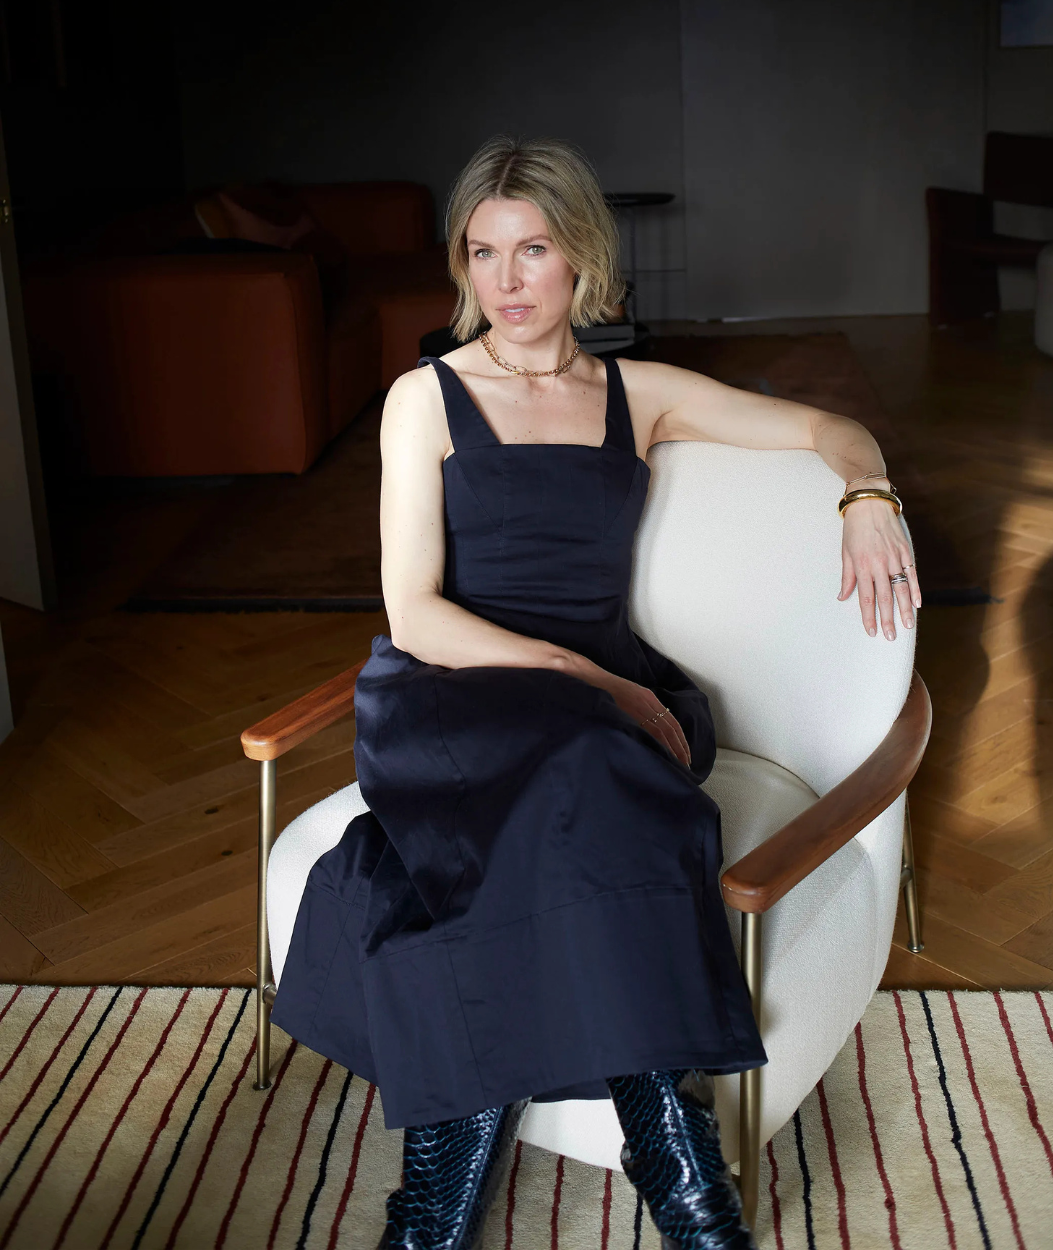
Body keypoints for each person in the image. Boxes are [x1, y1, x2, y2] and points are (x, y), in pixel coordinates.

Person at [270, 136, 919, 1250]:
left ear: (581, 257)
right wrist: (590, 679)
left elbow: (827, 425)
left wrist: (867, 493)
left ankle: (439, 1205)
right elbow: (414, 611)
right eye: (482, 253)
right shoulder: (424, 399)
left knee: (566, 800)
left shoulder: (639, 395)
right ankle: (680, 1168)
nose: (507, 280)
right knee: (594, 773)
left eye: (532, 250)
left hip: (601, 710)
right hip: (456, 691)